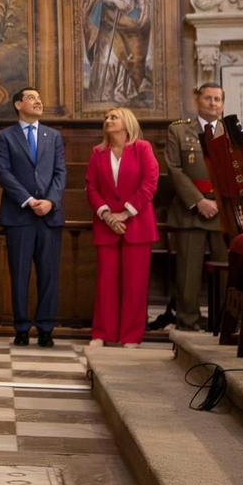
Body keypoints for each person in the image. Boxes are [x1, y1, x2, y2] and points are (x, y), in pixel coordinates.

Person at [0, 87, 66, 347]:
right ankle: (22, 328)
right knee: (20, 274)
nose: (38, 101)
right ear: (18, 104)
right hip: (19, 215)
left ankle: (46, 329)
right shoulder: (5, 136)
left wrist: (50, 201)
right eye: (31, 98)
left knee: (48, 275)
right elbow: (3, 172)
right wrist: (28, 199)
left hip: (49, 216)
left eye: (39, 97)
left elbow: (60, 173)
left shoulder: (53, 136)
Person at [86, 107, 158, 347]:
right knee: (105, 282)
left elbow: (150, 183)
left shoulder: (143, 149)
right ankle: (102, 333)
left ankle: (131, 336)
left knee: (135, 283)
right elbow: (92, 187)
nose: (108, 120)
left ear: (127, 123)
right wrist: (107, 215)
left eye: (113, 117)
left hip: (136, 225)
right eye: (106, 118)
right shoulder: (98, 153)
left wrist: (125, 213)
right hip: (107, 225)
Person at [163, 83, 228, 332]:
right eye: (208, 98)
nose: (213, 103)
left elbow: (236, 172)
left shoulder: (231, 132)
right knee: (188, 273)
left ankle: (223, 322)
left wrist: (220, 203)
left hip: (222, 213)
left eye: (217, 100)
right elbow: (174, 169)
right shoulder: (179, 130)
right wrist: (199, 201)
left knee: (225, 273)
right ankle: (188, 322)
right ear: (198, 101)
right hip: (190, 210)